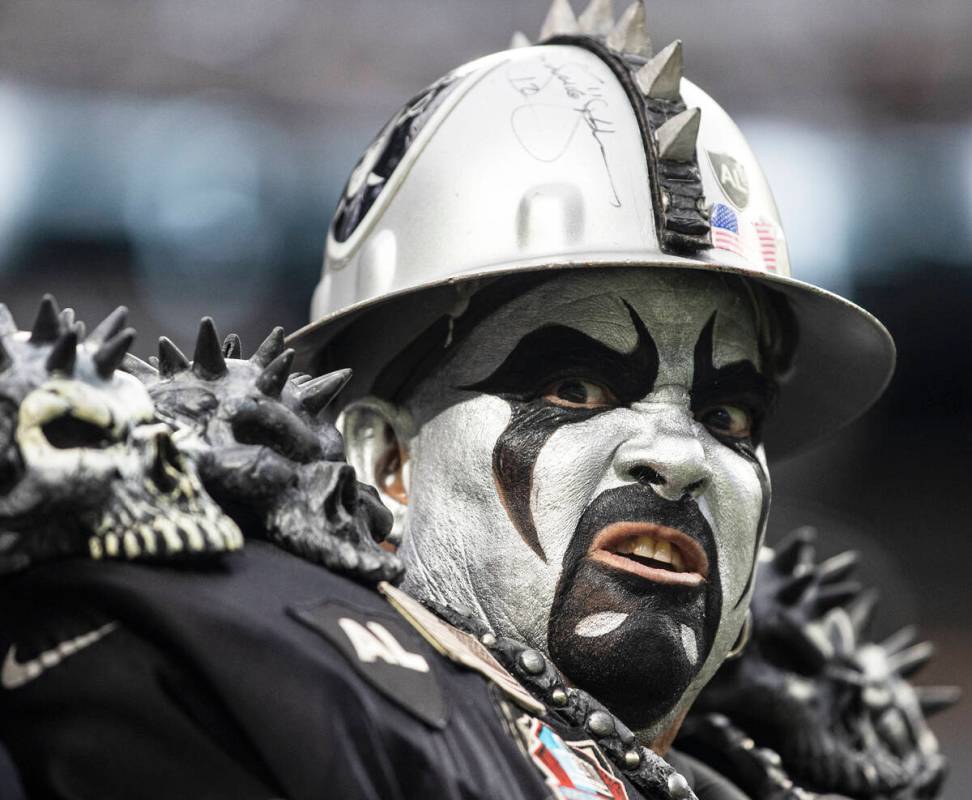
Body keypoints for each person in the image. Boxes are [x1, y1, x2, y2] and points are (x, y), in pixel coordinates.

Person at [0, 3, 953, 799]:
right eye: (574, 388)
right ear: (386, 462)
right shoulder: (236, 682)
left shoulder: (775, 769)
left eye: (728, 415)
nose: (678, 454)